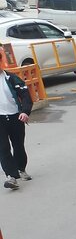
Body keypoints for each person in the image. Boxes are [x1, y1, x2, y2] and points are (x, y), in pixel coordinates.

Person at [0, 62, 32, 191]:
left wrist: (25, 111)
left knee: (18, 145)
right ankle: (11, 177)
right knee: (3, 148)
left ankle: (21, 169)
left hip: (15, 116)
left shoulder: (12, 78)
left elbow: (25, 95)